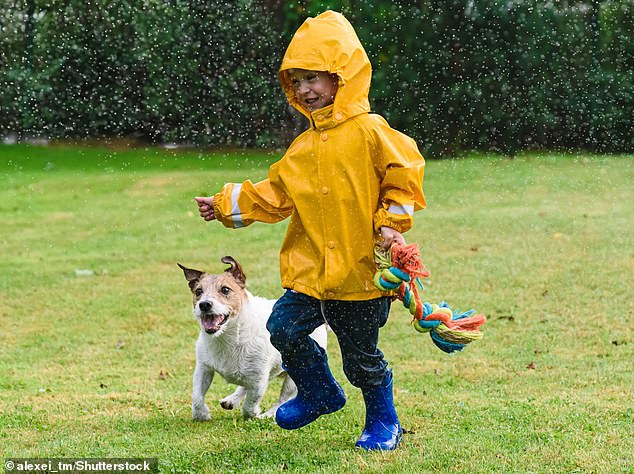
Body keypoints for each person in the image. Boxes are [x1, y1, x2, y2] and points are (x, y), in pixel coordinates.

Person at [194, 10, 425, 451]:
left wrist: (391, 225)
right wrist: (225, 204)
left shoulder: (371, 132)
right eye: (297, 81)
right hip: (310, 273)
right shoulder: (301, 148)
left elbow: (404, 173)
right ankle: (319, 391)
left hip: (360, 274)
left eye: (314, 78)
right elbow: (274, 194)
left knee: (361, 358)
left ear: (344, 76)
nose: (305, 89)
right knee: (282, 327)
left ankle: (383, 420)